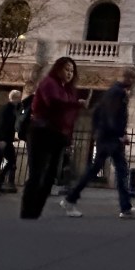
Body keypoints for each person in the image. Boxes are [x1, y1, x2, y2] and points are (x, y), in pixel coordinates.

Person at [61, 67, 135, 219]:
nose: (133, 82)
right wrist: (120, 135)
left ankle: (71, 199)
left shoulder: (110, 92)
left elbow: (97, 112)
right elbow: (113, 116)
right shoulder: (119, 93)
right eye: (133, 79)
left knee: (100, 170)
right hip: (111, 139)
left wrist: (98, 132)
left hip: (105, 137)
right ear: (129, 78)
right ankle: (125, 208)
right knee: (119, 171)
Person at [20, 57, 83, 220]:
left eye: (72, 71)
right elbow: (53, 103)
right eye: (66, 69)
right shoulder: (49, 83)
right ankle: (27, 212)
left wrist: (68, 138)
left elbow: (69, 119)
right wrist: (76, 104)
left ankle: (35, 212)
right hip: (41, 132)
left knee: (50, 176)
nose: (69, 73)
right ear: (58, 69)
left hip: (58, 135)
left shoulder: (68, 90)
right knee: (37, 173)